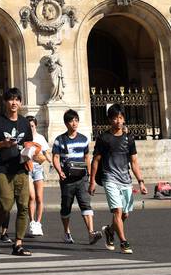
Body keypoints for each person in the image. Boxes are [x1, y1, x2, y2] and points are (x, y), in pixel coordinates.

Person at [90, 105, 146, 254]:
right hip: (110, 178)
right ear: (110, 120)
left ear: (124, 119)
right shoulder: (103, 138)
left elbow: (134, 162)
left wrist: (141, 181)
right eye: (115, 118)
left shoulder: (129, 138)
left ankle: (109, 230)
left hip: (125, 179)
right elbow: (95, 161)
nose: (118, 121)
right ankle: (123, 242)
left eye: (120, 118)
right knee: (117, 211)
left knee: (125, 214)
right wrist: (92, 181)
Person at [0, 88, 33, 256]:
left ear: (20, 103)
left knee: (23, 207)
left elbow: (29, 144)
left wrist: (33, 154)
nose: (14, 103)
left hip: (21, 169)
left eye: (17, 100)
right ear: (5, 102)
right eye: (11, 99)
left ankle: (18, 244)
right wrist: (2, 144)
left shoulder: (25, 123)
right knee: (5, 205)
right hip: (2, 170)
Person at [51, 109, 99, 245]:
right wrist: (59, 171)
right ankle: (66, 232)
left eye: (76, 120)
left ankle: (91, 233)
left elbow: (87, 157)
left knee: (85, 203)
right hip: (67, 179)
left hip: (82, 178)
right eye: (71, 121)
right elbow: (55, 157)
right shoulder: (59, 140)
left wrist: (90, 176)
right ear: (66, 123)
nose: (74, 123)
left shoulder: (84, 139)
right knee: (66, 206)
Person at [25, 116, 49, 238]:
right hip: (27, 168)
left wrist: (49, 161)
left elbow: (46, 153)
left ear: (36, 126)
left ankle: (38, 223)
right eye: (29, 126)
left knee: (39, 197)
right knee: (31, 196)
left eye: (32, 126)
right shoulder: (24, 138)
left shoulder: (40, 138)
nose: (31, 128)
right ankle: (32, 222)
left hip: (38, 168)